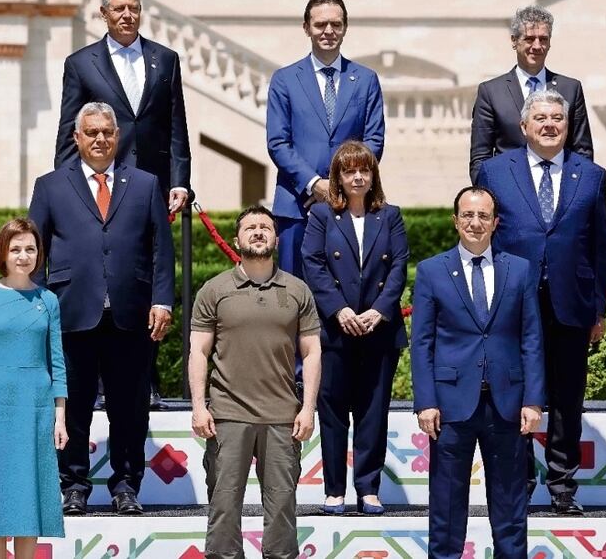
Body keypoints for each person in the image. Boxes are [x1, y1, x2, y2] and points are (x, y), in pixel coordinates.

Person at [29, 101, 174, 516]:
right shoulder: (51, 185)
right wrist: (38, 306)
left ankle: (126, 485)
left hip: (132, 314)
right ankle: (74, 485)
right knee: (71, 405)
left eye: (107, 132)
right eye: (91, 132)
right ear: (77, 138)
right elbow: (33, 249)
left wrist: (162, 299)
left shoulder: (145, 184)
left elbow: (161, 249)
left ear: (118, 136)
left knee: (129, 407)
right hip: (70, 313)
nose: (99, 139)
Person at [475, 89, 606, 514]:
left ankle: (563, 487)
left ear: (568, 126)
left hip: (571, 303)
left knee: (568, 399)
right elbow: (482, 237)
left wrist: (598, 310)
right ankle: (519, 481)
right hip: (513, 305)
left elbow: (599, 246)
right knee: (513, 394)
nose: (550, 125)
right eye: (542, 119)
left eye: (558, 118)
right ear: (524, 126)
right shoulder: (495, 172)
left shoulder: (590, 174)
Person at [54, 0, 189, 408]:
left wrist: (180, 180)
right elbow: (67, 131)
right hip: (98, 187)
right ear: (104, 13)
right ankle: (92, 383)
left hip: (150, 189)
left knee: (146, 277)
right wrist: (64, 190)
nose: (127, 15)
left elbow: (175, 126)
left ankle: (143, 377)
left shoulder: (165, 60)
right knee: (100, 277)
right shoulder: (81, 64)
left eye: (134, 8)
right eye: (119, 8)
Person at [410, 186, 544, 559]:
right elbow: (422, 343)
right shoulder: (431, 271)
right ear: (455, 221)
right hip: (451, 406)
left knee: (510, 507)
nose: (475, 222)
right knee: (447, 507)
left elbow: (531, 338)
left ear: (495, 222)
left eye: (483, 215)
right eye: (468, 215)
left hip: (507, 404)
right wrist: (426, 402)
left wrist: (533, 400)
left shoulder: (518, 269)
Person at [189, 205, 321, 559]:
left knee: (281, 514)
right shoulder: (213, 291)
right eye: (251, 227)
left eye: (265, 227)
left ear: (277, 239)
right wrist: (199, 408)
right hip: (227, 416)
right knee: (223, 510)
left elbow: (311, 353)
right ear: (236, 240)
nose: (259, 231)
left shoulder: (298, 291)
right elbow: (198, 352)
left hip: (282, 418)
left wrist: (308, 409)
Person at [300, 140, 407, 515]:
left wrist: (379, 310)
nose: (358, 176)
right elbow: (312, 264)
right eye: (349, 171)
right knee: (332, 411)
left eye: (364, 170)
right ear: (338, 177)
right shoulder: (320, 215)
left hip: (378, 330)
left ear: (373, 174)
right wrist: (338, 309)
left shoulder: (390, 215)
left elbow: (398, 268)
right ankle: (334, 490)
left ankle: (368, 488)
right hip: (335, 330)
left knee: (373, 411)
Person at [0, 217, 68, 559]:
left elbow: (58, 362)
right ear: (2, 253)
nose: (23, 256)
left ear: (39, 254)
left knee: (28, 491)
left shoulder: (48, 300)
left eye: (30, 249)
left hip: (35, 407)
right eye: (16, 249)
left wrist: (60, 416)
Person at [266, 0, 385, 280]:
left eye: (336, 24)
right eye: (320, 25)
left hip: (351, 204)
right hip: (296, 205)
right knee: (293, 295)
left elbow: (374, 141)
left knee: (347, 292)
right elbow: (278, 142)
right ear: (306, 27)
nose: (328, 31)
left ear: (345, 27)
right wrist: (312, 184)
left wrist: (338, 186)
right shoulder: (285, 79)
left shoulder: (366, 79)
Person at [468, 5, 593, 183]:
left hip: (557, 190)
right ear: (514, 41)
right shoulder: (491, 92)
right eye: (529, 39)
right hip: (508, 192)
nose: (537, 46)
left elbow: (583, 151)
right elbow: (480, 158)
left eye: (543, 39)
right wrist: (492, 199)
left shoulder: (570, 89)